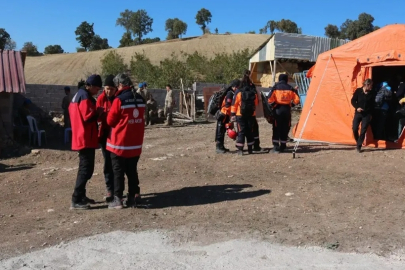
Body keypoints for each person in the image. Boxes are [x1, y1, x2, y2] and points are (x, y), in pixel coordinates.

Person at [106, 73, 146, 209]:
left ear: (120, 85)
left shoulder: (119, 100)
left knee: (118, 172)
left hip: (119, 144)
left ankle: (118, 199)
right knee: (132, 171)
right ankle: (133, 197)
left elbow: (110, 121)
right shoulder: (140, 99)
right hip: (135, 144)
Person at [69, 74, 102, 210]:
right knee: (85, 169)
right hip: (85, 138)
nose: (98, 92)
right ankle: (76, 199)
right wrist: (99, 112)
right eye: (98, 89)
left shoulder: (79, 94)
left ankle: (81, 195)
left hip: (81, 136)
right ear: (92, 86)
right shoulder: (84, 97)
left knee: (86, 168)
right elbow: (87, 117)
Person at [96, 74, 117, 202]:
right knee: (107, 163)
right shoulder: (101, 99)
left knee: (118, 164)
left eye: (112, 89)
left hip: (116, 136)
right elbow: (97, 117)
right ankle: (110, 189)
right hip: (104, 136)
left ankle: (118, 189)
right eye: (107, 88)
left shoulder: (118, 99)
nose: (109, 91)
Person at [267, 74, 300, 153]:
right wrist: (291, 105)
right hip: (287, 110)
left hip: (278, 110)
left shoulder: (275, 87)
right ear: (286, 80)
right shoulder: (290, 88)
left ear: (279, 79)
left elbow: (269, 99)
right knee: (285, 128)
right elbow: (297, 100)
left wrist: (274, 105)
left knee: (276, 127)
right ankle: (283, 146)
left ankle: (276, 147)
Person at [231, 72, 258, 155]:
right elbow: (256, 103)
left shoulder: (239, 92)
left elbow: (234, 104)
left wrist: (232, 114)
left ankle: (240, 149)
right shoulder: (253, 92)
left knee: (241, 131)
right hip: (251, 114)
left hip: (240, 115)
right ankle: (250, 149)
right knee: (250, 131)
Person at [215, 79, 240, 154]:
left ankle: (221, 146)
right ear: (234, 87)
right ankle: (218, 147)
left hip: (226, 114)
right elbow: (227, 105)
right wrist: (233, 112)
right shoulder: (230, 93)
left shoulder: (232, 93)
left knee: (223, 130)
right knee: (220, 131)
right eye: (238, 87)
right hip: (223, 114)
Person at [351, 79, 375, 153]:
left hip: (367, 114)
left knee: (363, 130)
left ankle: (359, 146)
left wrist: (371, 114)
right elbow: (353, 100)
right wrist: (357, 107)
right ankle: (358, 140)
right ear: (367, 85)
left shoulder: (372, 93)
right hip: (358, 113)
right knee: (354, 128)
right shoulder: (358, 91)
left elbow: (373, 105)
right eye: (371, 85)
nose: (371, 87)